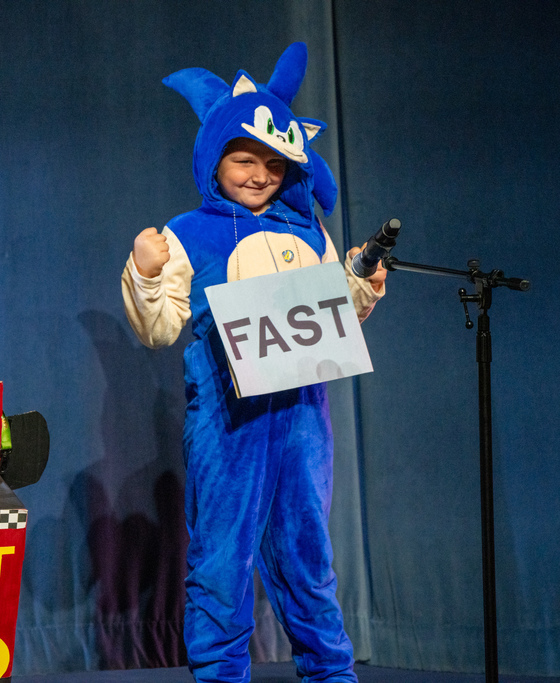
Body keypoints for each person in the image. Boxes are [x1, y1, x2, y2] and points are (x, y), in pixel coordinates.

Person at [121, 44, 386, 682]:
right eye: (244, 159)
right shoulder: (190, 231)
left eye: (273, 161)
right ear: (215, 160)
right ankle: (220, 674)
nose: (260, 174)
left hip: (300, 414)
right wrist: (146, 271)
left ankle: (330, 671)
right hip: (227, 417)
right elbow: (159, 328)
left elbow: (333, 317)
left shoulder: (307, 232)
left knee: (307, 551)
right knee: (222, 556)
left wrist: (359, 281)